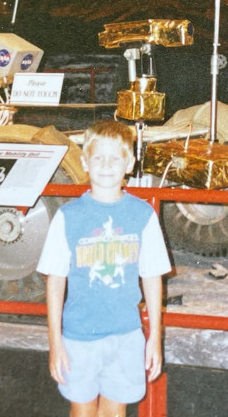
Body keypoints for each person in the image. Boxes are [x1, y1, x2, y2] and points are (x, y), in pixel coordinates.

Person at [37, 120, 171, 416]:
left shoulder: (142, 215)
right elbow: (55, 281)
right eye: (98, 157)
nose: (107, 165)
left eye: (115, 158)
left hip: (126, 335)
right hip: (78, 337)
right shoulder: (68, 216)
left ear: (130, 163)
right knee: (82, 411)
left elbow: (152, 277)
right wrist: (55, 343)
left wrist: (154, 340)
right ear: (85, 161)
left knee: (114, 411)